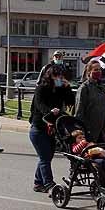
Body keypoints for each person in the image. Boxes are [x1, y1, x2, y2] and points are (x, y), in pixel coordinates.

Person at [29, 64, 75, 192]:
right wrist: (50, 112)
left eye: (61, 76)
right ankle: (49, 184)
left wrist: (67, 88)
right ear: (50, 76)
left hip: (53, 128)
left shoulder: (60, 89)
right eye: (57, 76)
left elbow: (71, 101)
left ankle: (38, 183)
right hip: (39, 128)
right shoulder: (41, 89)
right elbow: (39, 105)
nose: (60, 78)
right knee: (45, 157)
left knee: (47, 157)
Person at [74, 59, 105, 145]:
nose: (98, 72)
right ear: (89, 72)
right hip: (89, 129)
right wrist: (79, 130)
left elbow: (103, 104)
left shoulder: (100, 86)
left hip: (102, 129)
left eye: (99, 69)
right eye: (95, 70)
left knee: (102, 155)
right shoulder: (84, 88)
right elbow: (79, 110)